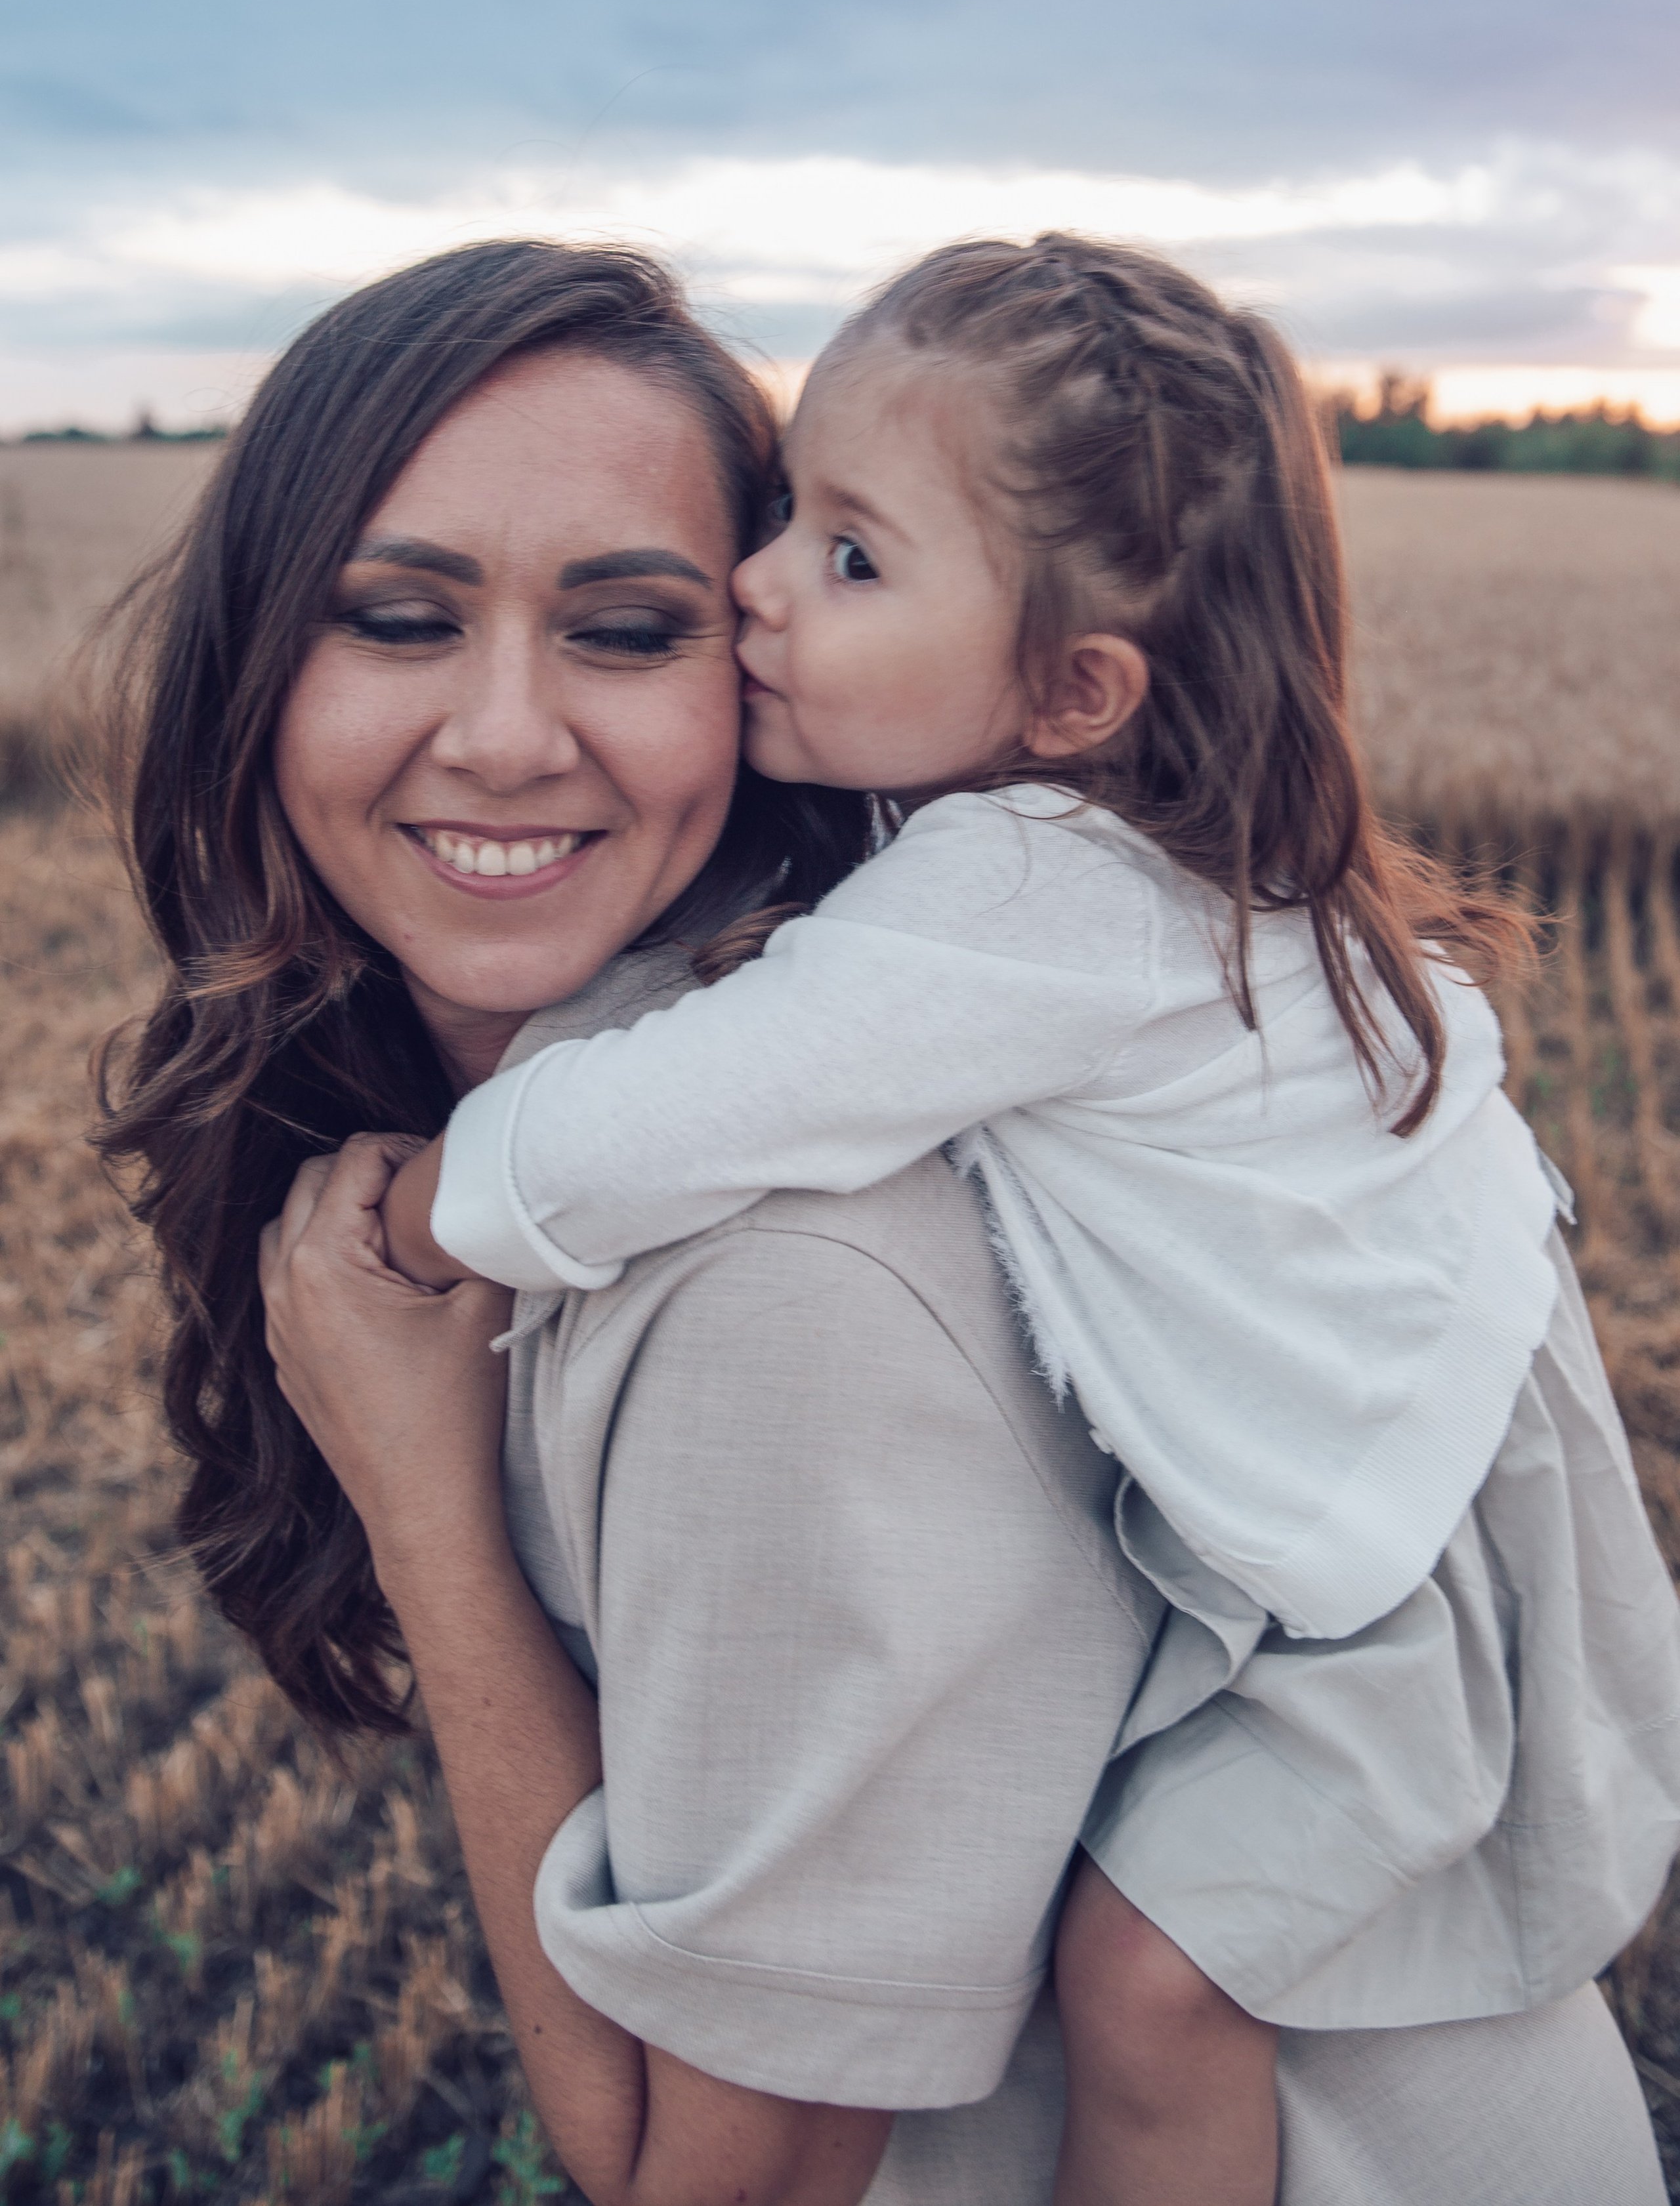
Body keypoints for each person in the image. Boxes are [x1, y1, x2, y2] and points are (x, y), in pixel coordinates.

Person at [98, 238, 1673, 2204]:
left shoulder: (788, 1272)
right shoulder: (792, 1042)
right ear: (254, 660)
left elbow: (718, 2182)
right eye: (401, 617)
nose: (503, 734)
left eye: (626, 627)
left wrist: (426, 1497)